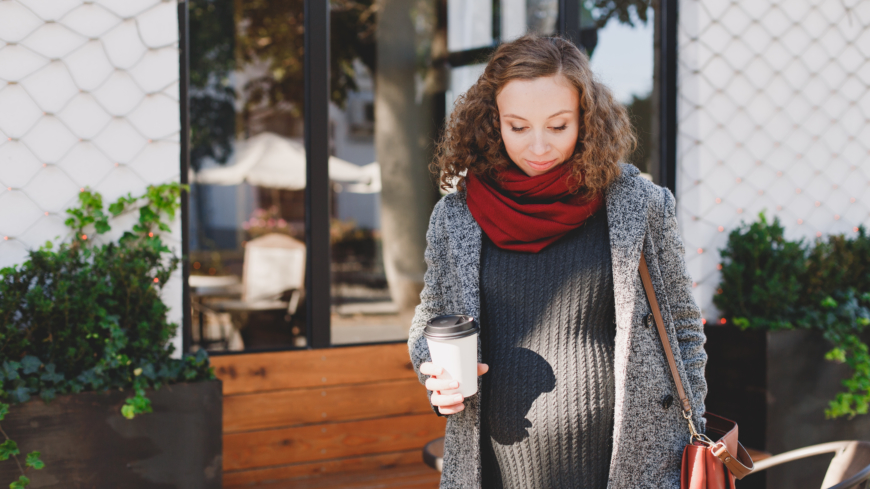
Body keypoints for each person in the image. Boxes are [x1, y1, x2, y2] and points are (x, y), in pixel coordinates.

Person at [407, 34, 707, 489]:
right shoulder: (457, 216)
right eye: (518, 127)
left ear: (586, 120)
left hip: (629, 469)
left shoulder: (639, 204)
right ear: (492, 122)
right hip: (495, 469)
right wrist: (437, 375)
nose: (539, 147)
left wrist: (692, 430)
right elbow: (431, 320)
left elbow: (683, 327)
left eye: (558, 126)